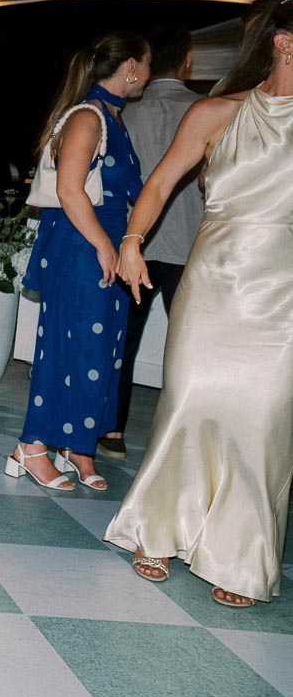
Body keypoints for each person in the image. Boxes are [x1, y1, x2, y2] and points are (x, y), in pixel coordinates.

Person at [106, 0, 293, 609]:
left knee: (262, 424)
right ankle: (158, 528)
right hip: (213, 283)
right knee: (190, 403)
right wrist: (132, 242)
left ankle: (239, 555)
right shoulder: (216, 112)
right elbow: (160, 182)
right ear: (283, 43)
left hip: (284, 296)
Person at [7, 31, 148, 492]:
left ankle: (77, 445)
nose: (149, 73)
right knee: (71, 349)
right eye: (147, 64)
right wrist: (106, 246)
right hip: (82, 247)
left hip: (102, 246)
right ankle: (31, 447)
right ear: (131, 66)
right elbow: (69, 190)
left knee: (102, 351)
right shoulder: (88, 116)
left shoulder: (113, 116)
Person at [102, 24, 201, 459]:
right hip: (188, 245)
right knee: (188, 349)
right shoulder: (206, 109)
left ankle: (112, 431)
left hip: (133, 242)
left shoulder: (126, 111)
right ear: (188, 60)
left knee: (121, 343)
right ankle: (182, 438)